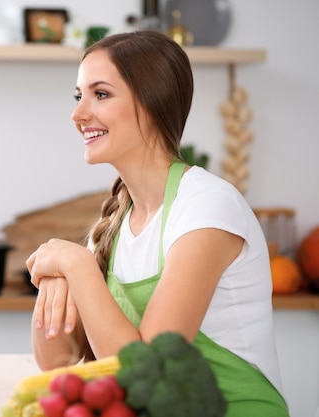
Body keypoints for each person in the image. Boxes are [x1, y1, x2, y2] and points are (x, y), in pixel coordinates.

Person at [26, 31, 288, 415]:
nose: (78, 114)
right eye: (78, 95)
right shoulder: (118, 220)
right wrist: (56, 280)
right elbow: (56, 360)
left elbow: (150, 375)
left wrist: (77, 266)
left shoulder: (206, 208)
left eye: (100, 94)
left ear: (152, 103)